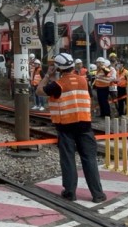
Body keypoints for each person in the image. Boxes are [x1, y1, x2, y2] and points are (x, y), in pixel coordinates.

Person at [36, 53, 107, 203]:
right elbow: (89, 97)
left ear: (58, 67)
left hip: (66, 127)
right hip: (85, 126)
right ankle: (98, 194)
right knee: (90, 160)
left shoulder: (58, 84)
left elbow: (39, 91)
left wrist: (48, 75)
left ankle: (70, 192)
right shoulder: (84, 81)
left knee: (68, 160)